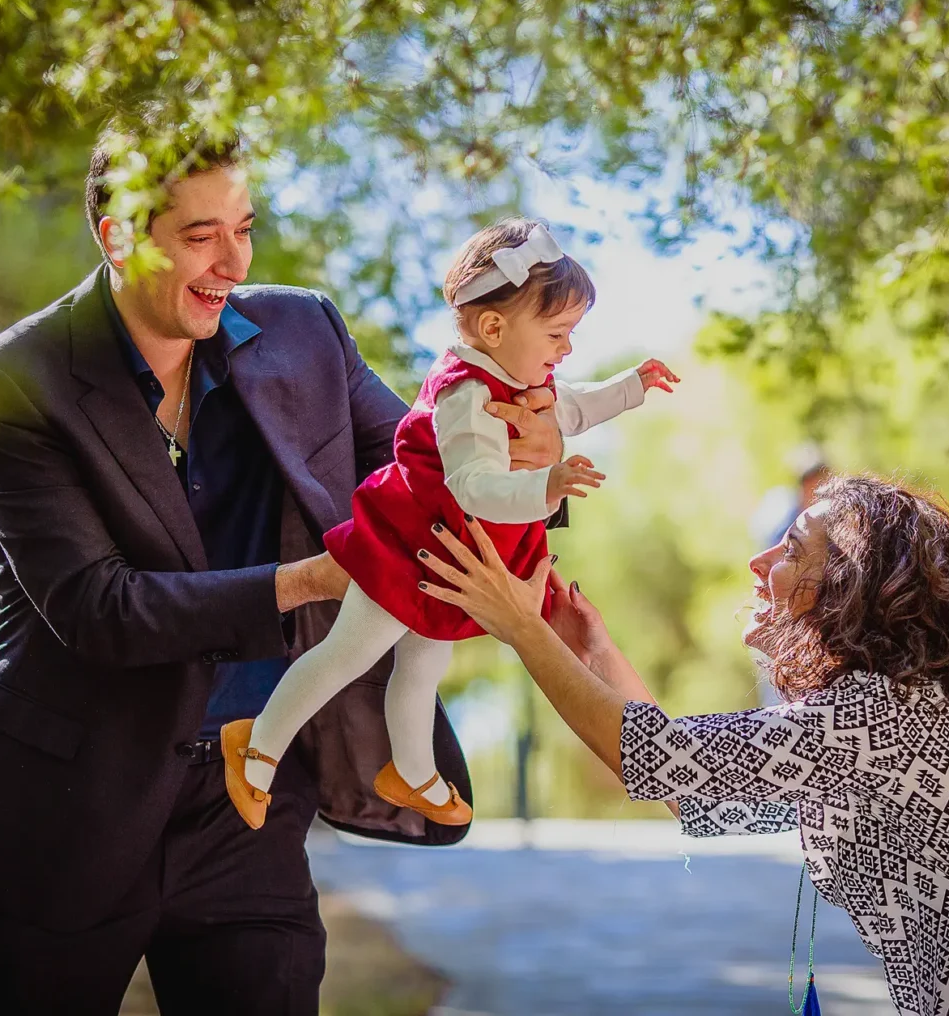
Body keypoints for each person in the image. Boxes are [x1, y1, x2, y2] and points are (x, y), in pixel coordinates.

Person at [0, 127, 566, 1015]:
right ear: (117, 237)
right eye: (199, 236)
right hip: (67, 809)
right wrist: (309, 581)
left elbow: (424, 470)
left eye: (244, 228)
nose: (231, 261)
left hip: (249, 807)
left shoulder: (304, 330)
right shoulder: (13, 383)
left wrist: (533, 460)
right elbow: (101, 607)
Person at [414, 476, 949, 1016]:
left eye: (791, 548)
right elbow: (687, 787)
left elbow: (656, 759)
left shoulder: (879, 719)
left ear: (851, 589)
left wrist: (522, 628)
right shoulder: (888, 712)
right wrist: (593, 649)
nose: (759, 561)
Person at [223, 218, 679, 829]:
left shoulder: (521, 376)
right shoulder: (465, 394)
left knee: (423, 664)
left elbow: (572, 404)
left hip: (447, 553)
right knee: (350, 651)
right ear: (493, 327)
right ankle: (257, 744)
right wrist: (546, 485)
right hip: (411, 545)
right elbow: (472, 484)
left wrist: (630, 387)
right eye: (558, 332)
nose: (566, 349)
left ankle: (410, 772)